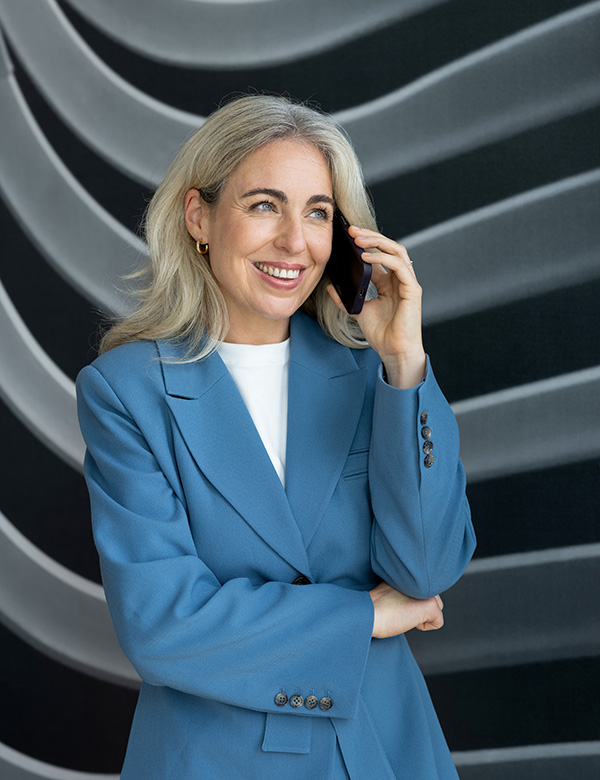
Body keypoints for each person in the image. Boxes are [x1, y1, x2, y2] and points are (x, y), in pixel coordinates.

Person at [77, 94, 475, 780]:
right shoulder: (127, 391)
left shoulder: (370, 376)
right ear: (199, 216)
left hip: (382, 750)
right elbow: (164, 624)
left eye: (317, 213)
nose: (296, 242)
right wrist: (363, 618)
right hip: (214, 759)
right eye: (265, 205)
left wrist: (405, 365)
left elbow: (429, 571)